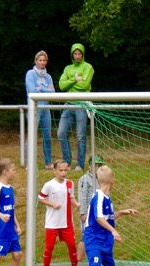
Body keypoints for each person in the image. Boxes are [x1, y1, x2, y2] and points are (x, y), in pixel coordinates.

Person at [73, 165, 138, 266]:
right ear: (112, 181)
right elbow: (98, 218)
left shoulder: (107, 199)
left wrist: (122, 212)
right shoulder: (98, 197)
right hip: (94, 238)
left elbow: (107, 217)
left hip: (104, 239)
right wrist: (114, 231)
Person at [38, 160, 80, 266]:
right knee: (49, 246)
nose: (63, 173)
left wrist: (76, 204)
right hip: (52, 222)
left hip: (67, 222)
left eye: (65, 170)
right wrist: (52, 204)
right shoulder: (49, 185)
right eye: (60, 170)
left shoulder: (70, 183)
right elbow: (41, 199)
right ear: (54, 171)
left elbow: (71, 197)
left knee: (72, 245)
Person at [57, 43, 94, 171]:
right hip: (68, 104)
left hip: (82, 105)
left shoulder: (88, 67)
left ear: (83, 55)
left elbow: (84, 85)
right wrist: (74, 79)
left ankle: (80, 164)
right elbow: (61, 85)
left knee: (80, 136)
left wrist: (70, 83)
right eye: (75, 54)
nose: (77, 56)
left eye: (79, 54)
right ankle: (67, 162)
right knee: (61, 133)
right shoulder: (68, 68)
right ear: (72, 55)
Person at [25, 50, 55, 169]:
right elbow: (32, 90)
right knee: (32, 135)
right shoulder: (30, 74)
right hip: (34, 108)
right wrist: (45, 89)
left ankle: (48, 162)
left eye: (44, 60)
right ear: (36, 61)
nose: (42, 62)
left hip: (46, 108)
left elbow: (52, 92)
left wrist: (40, 88)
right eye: (40, 60)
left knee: (47, 136)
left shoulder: (48, 76)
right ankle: (30, 163)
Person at [77, 154, 104, 261]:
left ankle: (96, 259)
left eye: (99, 165)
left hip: (99, 213)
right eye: (95, 165)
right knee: (85, 236)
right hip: (88, 213)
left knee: (98, 237)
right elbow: (82, 196)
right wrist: (83, 212)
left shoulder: (102, 179)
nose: (97, 168)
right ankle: (76, 262)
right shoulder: (84, 179)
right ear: (89, 166)